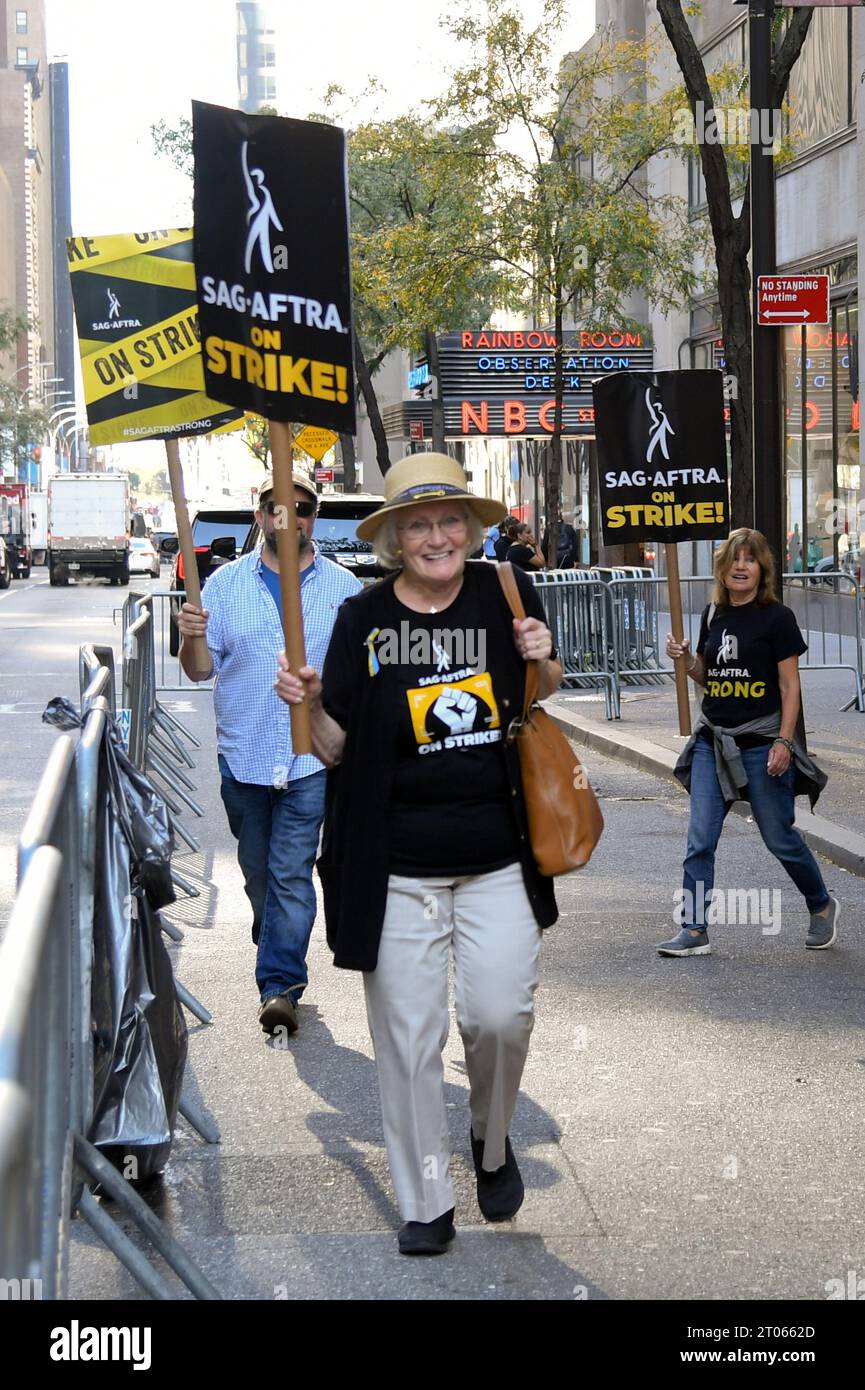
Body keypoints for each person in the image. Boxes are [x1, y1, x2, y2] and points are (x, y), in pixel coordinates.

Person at [274, 454, 563, 1255]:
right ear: (396, 539)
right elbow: (336, 749)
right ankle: (425, 1199)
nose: (435, 537)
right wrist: (308, 709)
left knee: (500, 1016)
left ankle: (491, 1139)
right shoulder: (361, 620)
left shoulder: (502, 589)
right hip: (394, 864)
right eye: (417, 525)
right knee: (405, 1040)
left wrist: (540, 654)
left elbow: (543, 692)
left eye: (447, 522)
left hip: (499, 854)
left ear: (467, 530)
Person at [175, 472, 362, 1035]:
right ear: (260, 515)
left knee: (290, 873)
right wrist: (189, 636)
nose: (291, 517)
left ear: (314, 516)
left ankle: (279, 983)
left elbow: (359, 679)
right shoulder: (225, 587)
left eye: (302, 508)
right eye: (278, 507)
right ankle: (275, 934)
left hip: (310, 760)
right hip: (246, 755)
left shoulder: (345, 589)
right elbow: (201, 670)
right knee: (259, 874)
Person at [658, 528, 837, 958]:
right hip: (712, 743)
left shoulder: (776, 619)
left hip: (762, 742)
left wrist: (785, 742)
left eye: (750, 560)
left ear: (762, 569)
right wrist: (686, 661)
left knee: (778, 836)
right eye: (734, 559)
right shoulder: (711, 615)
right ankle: (694, 928)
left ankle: (821, 904)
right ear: (722, 568)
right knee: (700, 838)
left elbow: (790, 687)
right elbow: (708, 675)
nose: (741, 566)